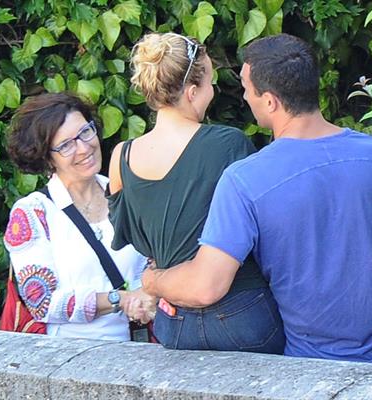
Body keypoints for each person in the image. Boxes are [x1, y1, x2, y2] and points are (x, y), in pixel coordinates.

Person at [141, 33, 372, 366]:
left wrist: (153, 280)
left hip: (314, 370)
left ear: (270, 101)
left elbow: (205, 286)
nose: (245, 96)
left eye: (248, 89)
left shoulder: (244, 180)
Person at [106, 32, 284, 353]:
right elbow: (269, 231)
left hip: (173, 323)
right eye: (210, 84)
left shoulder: (122, 156)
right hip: (241, 313)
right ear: (191, 92)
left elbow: (130, 236)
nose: (213, 92)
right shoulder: (228, 144)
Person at [5, 92, 154, 340]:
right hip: (66, 360)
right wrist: (118, 298)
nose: (84, 148)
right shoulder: (32, 213)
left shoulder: (127, 196)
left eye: (86, 132)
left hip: (139, 351)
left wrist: (149, 291)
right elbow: (42, 302)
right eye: (66, 145)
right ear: (46, 157)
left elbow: (153, 263)